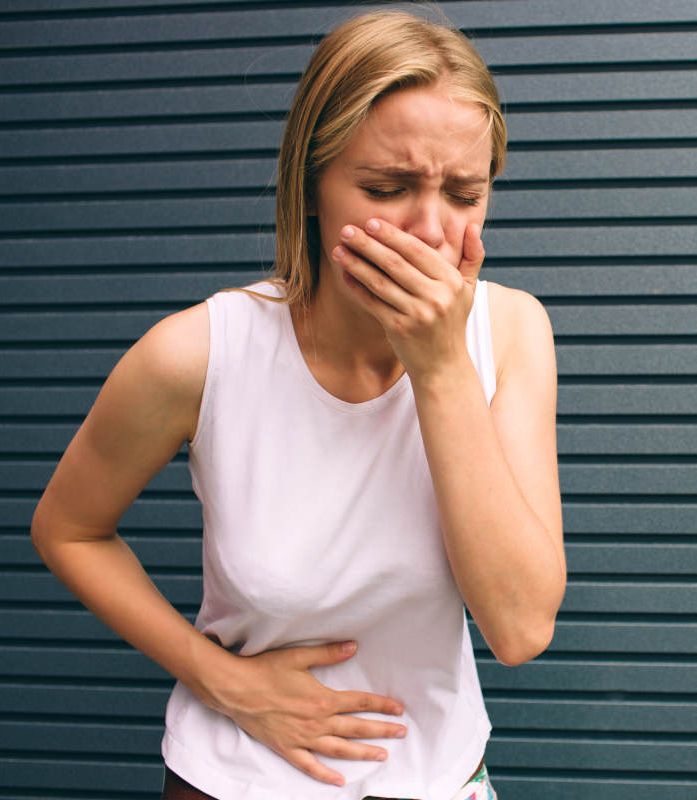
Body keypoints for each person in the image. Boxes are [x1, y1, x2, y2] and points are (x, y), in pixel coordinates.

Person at [29, 9, 564, 800]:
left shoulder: (511, 331)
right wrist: (221, 679)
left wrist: (442, 370)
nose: (429, 231)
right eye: (387, 188)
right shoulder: (200, 351)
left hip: (440, 780)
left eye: (464, 194)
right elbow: (68, 529)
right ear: (309, 185)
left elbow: (520, 628)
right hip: (234, 779)